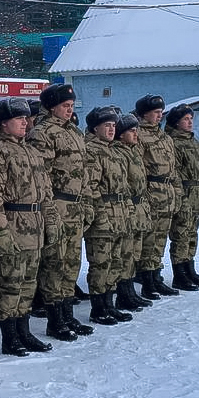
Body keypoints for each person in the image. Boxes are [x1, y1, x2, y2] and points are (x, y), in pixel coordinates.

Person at [0, 98, 57, 356]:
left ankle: (24, 332)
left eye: (26, 118)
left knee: (28, 283)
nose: (26, 123)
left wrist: (51, 220)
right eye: (19, 119)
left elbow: (45, 192)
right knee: (10, 284)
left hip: (34, 225)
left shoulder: (31, 151)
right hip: (13, 223)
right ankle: (10, 337)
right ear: (4, 123)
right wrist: (1, 230)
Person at [27, 83, 94, 341]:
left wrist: (87, 202)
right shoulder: (42, 133)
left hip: (76, 206)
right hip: (57, 205)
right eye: (65, 106)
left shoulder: (74, 132)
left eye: (71, 106)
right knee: (54, 264)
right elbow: (41, 177)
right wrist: (49, 211)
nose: (69, 110)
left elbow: (84, 172)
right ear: (52, 107)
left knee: (71, 263)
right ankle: (55, 320)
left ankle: (67, 314)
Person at [83, 106, 133, 325]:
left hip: (119, 214)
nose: (112, 129)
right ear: (96, 128)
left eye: (114, 125)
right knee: (101, 264)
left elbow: (125, 186)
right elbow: (91, 187)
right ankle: (98, 308)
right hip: (103, 215)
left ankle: (109, 304)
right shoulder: (92, 151)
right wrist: (100, 216)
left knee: (115, 262)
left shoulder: (115, 151)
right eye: (107, 125)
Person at [132, 94, 180, 299]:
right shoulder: (139, 135)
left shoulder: (165, 137)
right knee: (149, 239)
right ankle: (147, 280)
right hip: (152, 192)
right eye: (156, 112)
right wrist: (143, 196)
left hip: (167, 193)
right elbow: (137, 169)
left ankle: (156, 275)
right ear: (145, 114)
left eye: (161, 112)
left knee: (160, 239)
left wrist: (177, 192)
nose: (160, 116)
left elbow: (173, 168)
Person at [165, 104, 199, 291]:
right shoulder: (173, 143)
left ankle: (190, 270)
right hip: (184, 194)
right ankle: (179, 274)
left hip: (196, 195)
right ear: (176, 122)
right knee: (180, 235)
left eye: (191, 119)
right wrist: (181, 198)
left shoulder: (195, 144)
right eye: (185, 119)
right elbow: (175, 174)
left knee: (192, 234)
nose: (190, 122)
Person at [113, 113, 155, 312]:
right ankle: (123, 293)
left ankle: (129, 291)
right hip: (127, 207)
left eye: (136, 130)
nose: (136, 134)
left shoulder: (133, 152)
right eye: (131, 131)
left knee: (134, 252)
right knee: (125, 252)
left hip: (139, 207)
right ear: (121, 134)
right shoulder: (118, 153)